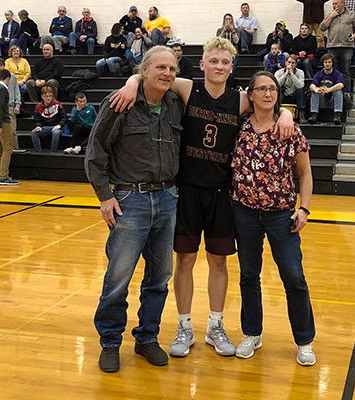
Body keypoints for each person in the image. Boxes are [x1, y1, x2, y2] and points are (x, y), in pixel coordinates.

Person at [109, 36, 295, 360]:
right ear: (203, 63)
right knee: (184, 260)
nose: (219, 66)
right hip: (186, 191)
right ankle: (184, 327)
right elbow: (151, 74)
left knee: (218, 261)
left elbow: (270, 104)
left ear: (232, 67)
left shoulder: (239, 100)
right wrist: (129, 82)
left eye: (225, 62)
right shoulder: (186, 88)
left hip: (223, 193)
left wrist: (287, 115)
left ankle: (215, 326)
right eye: (214, 61)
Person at [85, 46, 184, 373]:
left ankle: (147, 338)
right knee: (119, 278)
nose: (167, 73)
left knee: (159, 277)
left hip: (168, 199)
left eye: (172, 68)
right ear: (145, 69)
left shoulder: (174, 103)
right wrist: (105, 196)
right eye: (160, 67)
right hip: (130, 201)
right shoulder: (120, 102)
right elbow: (95, 152)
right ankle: (110, 342)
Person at [231, 70, 316, 366]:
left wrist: (303, 208)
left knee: (293, 276)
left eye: (273, 90)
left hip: (282, 214)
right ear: (250, 94)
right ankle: (252, 333)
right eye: (262, 89)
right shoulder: (238, 125)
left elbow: (305, 173)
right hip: (244, 212)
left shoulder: (290, 130)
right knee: (248, 275)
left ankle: (304, 340)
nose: (268, 94)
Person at [320, 0, 355, 93]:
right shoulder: (330, 15)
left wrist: (354, 36)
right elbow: (322, 28)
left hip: (347, 46)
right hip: (332, 46)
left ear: (342, 3)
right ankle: (334, 92)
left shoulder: (351, 14)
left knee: (345, 70)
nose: (334, 6)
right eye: (333, 4)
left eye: (336, 4)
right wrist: (331, 16)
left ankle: (346, 93)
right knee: (333, 70)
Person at [0, 69, 18, 185]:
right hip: (0, 122)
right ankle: (4, 176)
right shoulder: (2, 89)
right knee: (7, 148)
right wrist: (1, 124)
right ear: (8, 79)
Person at [0, 58, 23, 153]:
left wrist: (17, 105)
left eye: (1, 65)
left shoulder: (12, 77)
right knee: (0, 136)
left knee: (13, 131)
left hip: (10, 107)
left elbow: (17, 91)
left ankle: (15, 149)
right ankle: (5, 151)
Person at [308, 53, 344, 124]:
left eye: (329, 62)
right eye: (325, 62)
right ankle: (314, 115)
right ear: (323, 63)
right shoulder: (319, 74)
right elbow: (312, 85)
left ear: (332, 63)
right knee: (314, 92)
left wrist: (329, 89)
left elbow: (341, 85)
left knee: (338, 91)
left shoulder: (337, 73)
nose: (327, 64)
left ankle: (337, 116)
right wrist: (317, 89)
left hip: (333, 100)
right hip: (322, 99)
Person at [31, 86, 67, 152]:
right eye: (46, 96)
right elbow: (36, 119)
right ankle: (38, 152)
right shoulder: (38, 107)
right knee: (34, 132)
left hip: (56, 126)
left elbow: (64, 116)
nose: (48, 98)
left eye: (50, 96)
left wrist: (59, 125)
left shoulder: (57, 104)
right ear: (42, 96)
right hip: (45, 127)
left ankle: (53, 152)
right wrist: (38, 126)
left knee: (56, 133)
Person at [275, 54, 307, 123]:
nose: (291, 64)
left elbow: (300, 85)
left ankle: (301, 116)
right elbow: (276, 85)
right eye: (289, 62)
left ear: (295, 64)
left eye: (293, 63)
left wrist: (292, 74)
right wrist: (286, 74)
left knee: (301, 91)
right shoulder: (279, 72)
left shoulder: (300, 72)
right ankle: (275, 114)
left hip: (294, 96)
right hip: (283, 96)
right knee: (276, 91)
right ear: (285, 63)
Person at [217, 13, 240, 87]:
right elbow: (217, 41)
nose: (228, 20)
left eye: (229, 19)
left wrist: (233, 30)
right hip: (222, 54)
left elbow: (237, 41)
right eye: (226, 19)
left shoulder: (236, 30)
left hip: (233, 54)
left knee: (231, 73)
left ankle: (230, 88)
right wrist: (224, 31)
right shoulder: (220, 30)